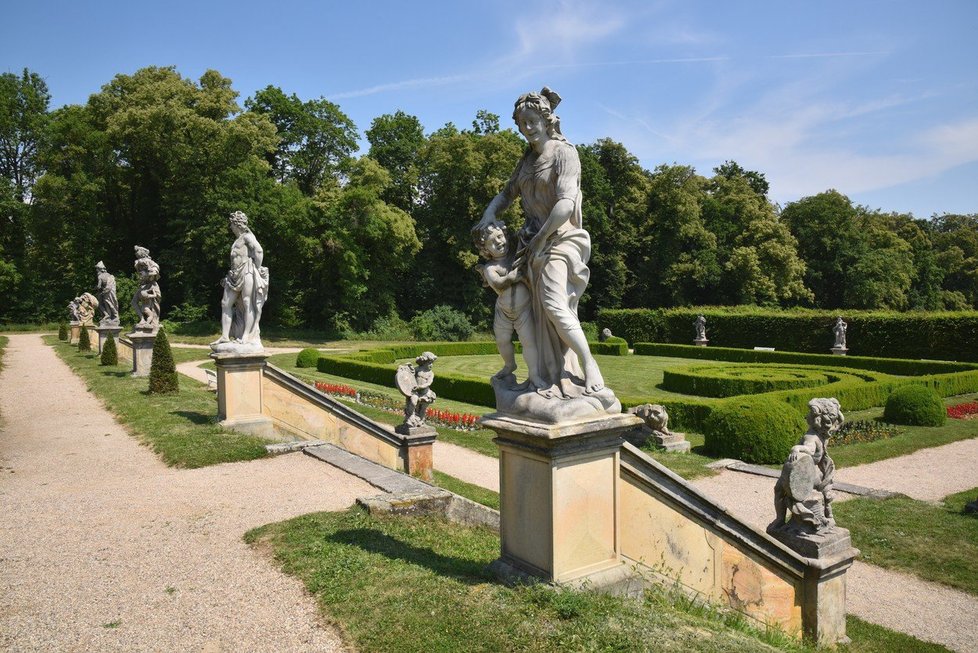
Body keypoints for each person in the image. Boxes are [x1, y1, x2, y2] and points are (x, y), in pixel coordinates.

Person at [476, 87, 604, 398]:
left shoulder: (564, 153)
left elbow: (565, 205)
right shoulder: (526, 161)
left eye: (532, 120)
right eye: (521, 122)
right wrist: (488, 215)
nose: (527, 127)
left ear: (546, 120)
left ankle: (589, 365)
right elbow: (507, 195)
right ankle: (544, 375)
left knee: (553, 304)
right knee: (536, 316)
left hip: (561, 238)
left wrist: (542, 238)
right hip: (532, 243)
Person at [473, 220, 546, 389]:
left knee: (529, 342)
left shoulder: (516, 254)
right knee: (502, 341)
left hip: (524, 309)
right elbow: (497, 284)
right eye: (492, 242)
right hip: (503, 312)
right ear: (486, 249)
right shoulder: (491, 268)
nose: (498, 242)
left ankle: (534, 374)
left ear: (505, 235)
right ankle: (509, 364)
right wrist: (511, 277)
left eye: (500, 236)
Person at [211, 211, 269, 350]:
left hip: (246, 271)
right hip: (234, 275)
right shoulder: (238, 239)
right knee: (225, 303)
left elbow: (259, 251)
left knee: (247, 303)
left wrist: (257, 268)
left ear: (237, 224)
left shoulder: (247, 236)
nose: (230, 227)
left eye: (231, 224)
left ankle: (246, 336)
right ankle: (225, 336)